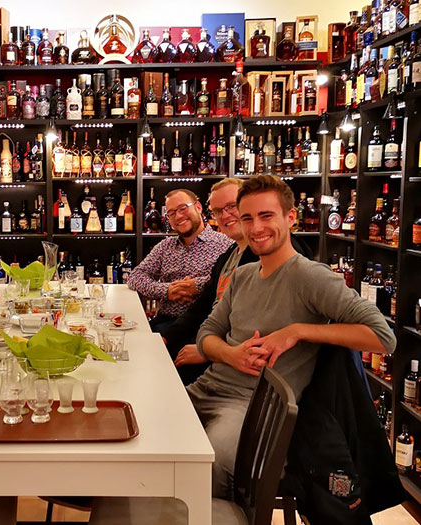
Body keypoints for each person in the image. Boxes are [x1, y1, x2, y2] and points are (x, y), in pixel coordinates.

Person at [188, 175, 396, 500]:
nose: (256, 227)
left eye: (266, 216)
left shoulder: (310, 276)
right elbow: (206, 334)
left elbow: (383, 338)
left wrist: (298, 331)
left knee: (209, 465)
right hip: (205, 389)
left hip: (252, 408)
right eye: (248, 218)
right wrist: (232, 354)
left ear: (291, 217)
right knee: (144, 435)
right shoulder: (243, 275)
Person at [161, 178, 311, 385]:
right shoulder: (229, 255)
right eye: (217, 211)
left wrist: (208, 352)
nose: (225, 215)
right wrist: (168, 336)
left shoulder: (276, 254)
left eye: (232, 206)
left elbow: (266, 322)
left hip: (247, 369)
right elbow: (205, 305)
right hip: (219, 348)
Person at [125, 188, 233, 333]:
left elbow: (231, 280)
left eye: (183, 208)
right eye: (171, 213)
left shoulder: (226, 244)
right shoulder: (166, 246)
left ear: (198, 207)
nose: (178, 216)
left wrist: (197, 286)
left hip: (208, 326)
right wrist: (167, 290)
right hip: (165, 322)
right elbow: (135, 277)